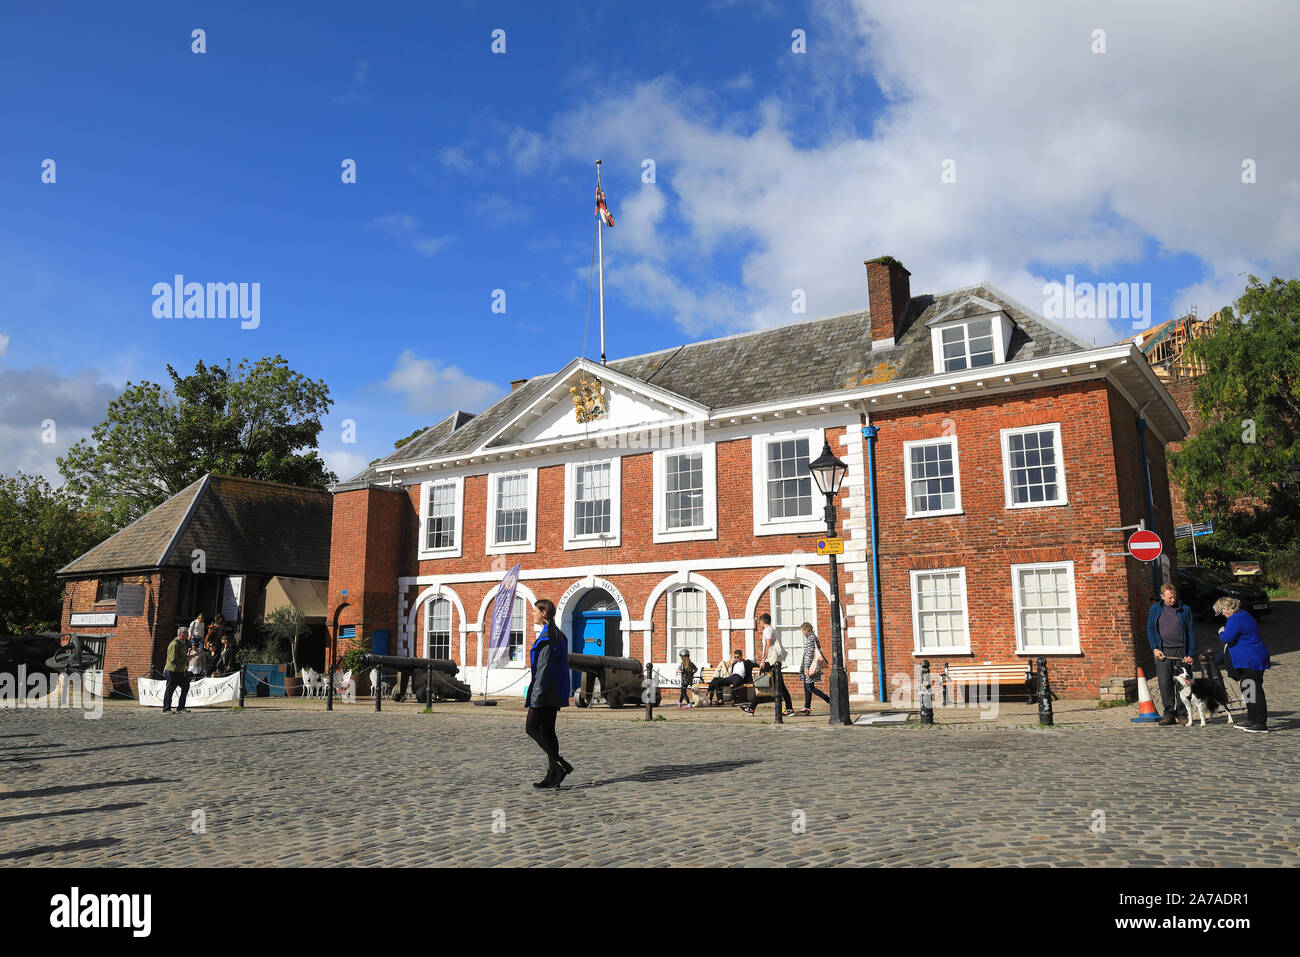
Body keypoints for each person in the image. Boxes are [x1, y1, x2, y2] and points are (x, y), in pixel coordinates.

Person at [525, 598, 573, 788]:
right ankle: (554, 773)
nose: (532, 614)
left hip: (545, 691)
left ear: (544, 613)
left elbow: (544, 668)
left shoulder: (548, 637)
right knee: (548, 730)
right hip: (554, 690)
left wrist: (536, 694)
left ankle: (559, 764)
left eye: (535, 611)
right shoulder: (557, 634)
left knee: (532, 728)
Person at [1214, 596, 1271, 733]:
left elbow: (1228, 637)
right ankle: (1252, 719)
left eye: (1221, 611)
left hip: (1250, 659)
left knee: (1254, 689)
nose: (1222, 615)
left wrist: (1221, 632)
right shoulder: (1243, 615)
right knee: (1248, 688)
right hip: (1249, 658)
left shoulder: (1235, 618)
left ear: (1226, 608)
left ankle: (1260, 722)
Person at [1146, 582, 1195, 726]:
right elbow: (1150, 630)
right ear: (1162, 596)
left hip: (1181, 652)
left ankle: (1182, 714)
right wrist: (1155, 648)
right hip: (1163, 653)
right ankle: (1168, 714)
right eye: (1169, 598)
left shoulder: (1184, 609)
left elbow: (1191, 633)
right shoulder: (1155, 609)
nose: (1173, 600)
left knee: (1183, 684)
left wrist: (1191, 653)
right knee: (1164, 684)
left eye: (1174, 597)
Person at [744, 612, 792, 715]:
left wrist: (762, 660)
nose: (760, 624)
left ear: (762, 621)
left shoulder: (767, 630)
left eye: (760, 622)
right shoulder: (772, 629)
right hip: (774, 661)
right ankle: (789, 708)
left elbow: (768, 645)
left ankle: (751, 708)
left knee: (761, 683)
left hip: (770, 661)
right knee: (779, 685)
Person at [796, 622, 831, 715]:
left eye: (802, 630)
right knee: (807, 686)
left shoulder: (811, 639)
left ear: (806, 630)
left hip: (810, 667)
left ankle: (829, 700)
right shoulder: (812, 637)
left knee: (809, 687)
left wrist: (807, 667)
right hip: (809, 666)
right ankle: (807, 707)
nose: (802, 632)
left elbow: (809, 654)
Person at [163, 627, 191, 713]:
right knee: (170, 689)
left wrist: (187, 657)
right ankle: (166, 709)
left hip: (180, 671)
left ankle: (181, 707)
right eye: (186, 633)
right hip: (172, 671)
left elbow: (182, 657)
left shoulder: (183, 644)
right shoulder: (174, 644)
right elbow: (173, 659)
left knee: (186, 686)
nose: (188, 635)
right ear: (180, 634)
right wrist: (186, 660)